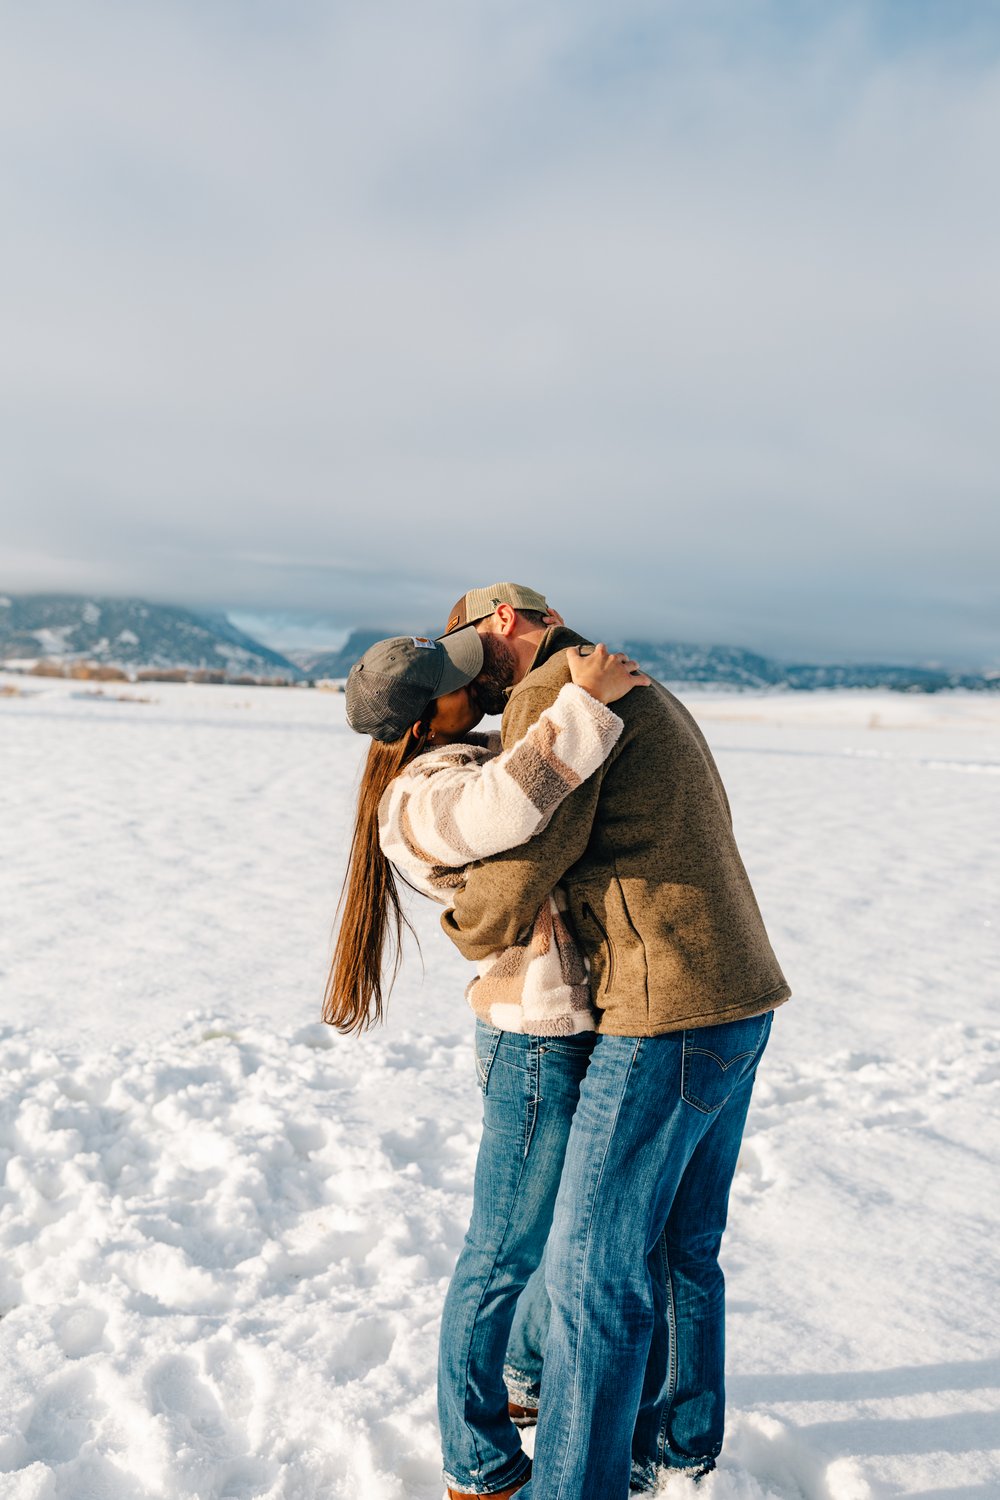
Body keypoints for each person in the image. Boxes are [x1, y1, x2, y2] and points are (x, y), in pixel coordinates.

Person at [439, 583, 791, 1499]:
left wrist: (463, 921)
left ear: (503, 625)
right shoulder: (645, 685)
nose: (466, 682)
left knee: (599, 1270)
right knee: (684, 1245)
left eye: (465, 652)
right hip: (737, 992)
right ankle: (679, 1448)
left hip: (662, 1007)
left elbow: (526, 862)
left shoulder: (551, 698)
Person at [325, 616, 651, 1499]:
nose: (480, 687)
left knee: (553, 1243)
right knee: (500, 1253)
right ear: (426, 719)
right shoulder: (422, 795)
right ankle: (473, 1461)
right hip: (528, 1043)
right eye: (462, 683)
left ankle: (525, 1382)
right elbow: (509, 805)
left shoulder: (450, 755)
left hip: (569, 1027)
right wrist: (581, 704)